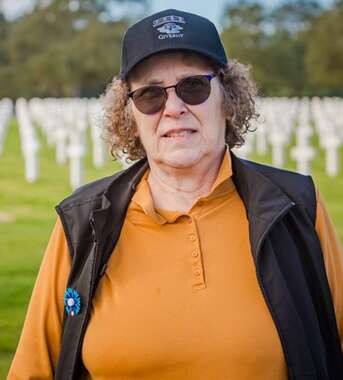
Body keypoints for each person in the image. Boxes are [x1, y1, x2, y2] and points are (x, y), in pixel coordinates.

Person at [8, 8, 343, 380]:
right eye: (150, 94)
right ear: (130, 116)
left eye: (193, 86)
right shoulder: (82, 221)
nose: (174, 108)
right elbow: (34, 370)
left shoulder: (296, 206)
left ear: (227, 98)